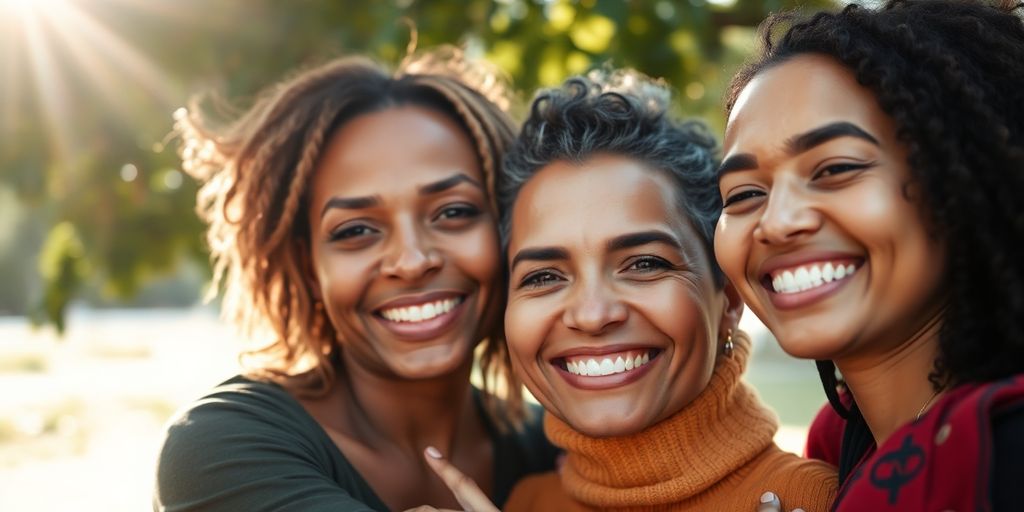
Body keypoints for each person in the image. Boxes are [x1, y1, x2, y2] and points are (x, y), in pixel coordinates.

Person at [153, 47, 559, 512]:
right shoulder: (222, 451)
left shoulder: (555, 448)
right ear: (309, 267)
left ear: (511, 231)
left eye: (454, 212)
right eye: (356, 231)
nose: (412, 261)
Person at [417, 70, 837, 511]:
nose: (593, 315)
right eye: (543, 277)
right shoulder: (526, 501)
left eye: (644, 264)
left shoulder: (816, 500)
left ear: (729, 301)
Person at [714, 1, 1024, 509]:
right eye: (744, 194)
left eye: (834, 169)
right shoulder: (837, 454)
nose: (776, 222)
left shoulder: (1005, 451)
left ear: (966, 178)